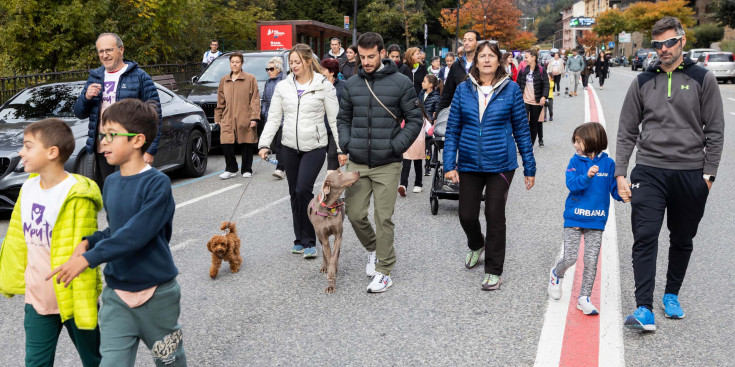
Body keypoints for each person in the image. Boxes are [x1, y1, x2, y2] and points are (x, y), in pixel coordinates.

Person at [49, 99, 187, 366]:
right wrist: (90, 242)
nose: (104, 142)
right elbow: (117, 230)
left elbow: (136, 234)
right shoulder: (111, 182)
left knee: (169, 360)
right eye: (102, 135)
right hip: (116, 297)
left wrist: (89, 259)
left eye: (112, 135)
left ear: (137, 141)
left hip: (157, 295)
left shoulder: (157, 184)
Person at [616, 17, 724, 331]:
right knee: (645, 236)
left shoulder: (703, 78)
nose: (664, 49)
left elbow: (715, 130)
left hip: (690, 174)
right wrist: (620, 172)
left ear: (682, 41)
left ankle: (672, 294)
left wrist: (709, 176)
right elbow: (626, 131)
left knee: (682, 238)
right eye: (658, 44)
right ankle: (644, 308)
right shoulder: (642, 81)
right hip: (649, 170)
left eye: (669, 42)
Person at [0, 119, 103, 367]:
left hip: (74, 297)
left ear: (52, 152)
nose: (20, 152)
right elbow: (16, 239)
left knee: (95, 360)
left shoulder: (77, 194)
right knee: (36, 363)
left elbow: (84, 249)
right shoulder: (27, 189)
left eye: (27, 146)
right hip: (37, 298)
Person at [443, 41, 536, 290]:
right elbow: (452, 130)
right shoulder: (464, 90)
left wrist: (529, 167)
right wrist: (449, 164)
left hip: (501, 164)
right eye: (481, 56)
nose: (486, 60)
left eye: (491, 56)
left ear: (499, 60)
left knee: (495, 214)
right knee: (466, 215)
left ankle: (494, 269)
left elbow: (522, 130)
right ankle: (476, 243)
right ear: (476, 61)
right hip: (470, 163)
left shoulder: (511, 89)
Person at [337, 32, 423, 293]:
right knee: (354, 214)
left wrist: (395, 147)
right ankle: (374, 249)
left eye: (371, 56)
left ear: (382, 53)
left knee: (383, 216)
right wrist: (347, 144)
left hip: (388, 163)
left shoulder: (402, 83)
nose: (366, 61)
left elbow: (415, 120)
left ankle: (385, 270)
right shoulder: (351, 84)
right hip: (358, 161)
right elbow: (343, 119)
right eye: (362, 57)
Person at [258, 44, 340, 259]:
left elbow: (334, 119)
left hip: (315, 146)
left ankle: (311, 240)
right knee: (294, 192)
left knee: (304, 189)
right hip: (288, 146)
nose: (294, 66)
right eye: (291, 62)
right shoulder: (283, 87)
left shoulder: (323, 85)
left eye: (297, 62)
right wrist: (264, 143)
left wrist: (341, 148)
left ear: (307, 61)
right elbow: (274, 117)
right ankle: (299, 240)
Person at [547, 122, 623, 315]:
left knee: (591, 261)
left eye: (578, 141)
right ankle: (557, 274)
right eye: (575, 141)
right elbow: (572, 184)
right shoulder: (575, 162)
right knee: (571, 257)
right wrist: (587, 176)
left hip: (596, 220)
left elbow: (614, 191)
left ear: (592, 141)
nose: (575, 145)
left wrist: (625, 193)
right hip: (574, 218)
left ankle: (584, 298)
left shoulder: (608, 164)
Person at [73, 33, 161, 188]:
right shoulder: (95, 77)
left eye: (109, 50)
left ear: (121, 50)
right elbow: (79, 113)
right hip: (104, 147)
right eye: (101, 51)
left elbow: (155, 115)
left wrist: (150, 150)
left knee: (131, 191)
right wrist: (86, 97)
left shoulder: (140, 76)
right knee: (111, 191)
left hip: (130, 147)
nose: (104, 55)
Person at [215, 52, 261, 179]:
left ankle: (247, 169)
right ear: (230, 63)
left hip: (245, 115)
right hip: (227, 116)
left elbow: (255, 99)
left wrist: (254, 117)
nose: (234, 64)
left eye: (237, 62)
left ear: (241, 63)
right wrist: (218, 117)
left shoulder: (250, 79)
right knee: (225, 142)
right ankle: (231, 168)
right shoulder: (224, 80)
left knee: (246, 142)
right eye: (232, 62)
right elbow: (220, 100)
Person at [516, 48, 549, 147]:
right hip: (524, 101)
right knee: (523, 124)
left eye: (526, 57)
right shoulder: (522, 71)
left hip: (536, 102)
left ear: (533, 58)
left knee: (534, 124)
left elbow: (546, 85)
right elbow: (517, 85)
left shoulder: (541, 70)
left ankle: (530, 145)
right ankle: (522, 144)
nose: (525, 59)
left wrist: (544, 96)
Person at [440, 30, 480, 110]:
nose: (466, 43)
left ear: (477, 42)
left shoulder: (482, 64)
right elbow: (447, 92)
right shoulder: (456, 65)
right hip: (460, 110)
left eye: (470, 40)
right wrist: (438, 113)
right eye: (464, 40)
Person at [320, 58, 346, 174]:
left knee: (331, 156)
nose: (321, 72)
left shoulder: (344, 86)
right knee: (330, 156)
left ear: (331, 72)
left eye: (323, 70)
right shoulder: (318, 85)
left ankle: (329, 189)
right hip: (321, 127)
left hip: (336, 126)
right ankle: (337, 179)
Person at [262, 57, 286, 179]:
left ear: (278, 69)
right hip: (271, 119)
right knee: (276, 145)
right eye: (267, 69)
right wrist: (264, 112)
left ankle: (280, 169)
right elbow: (265, 101)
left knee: (280, 143)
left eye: (271, 69)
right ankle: (283, 165)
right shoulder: (268, 82)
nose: (269, 71)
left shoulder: (284, 82)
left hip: (283, 119)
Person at [419, 74, 441, 176]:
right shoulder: (421, 93)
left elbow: (437, 112)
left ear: (431, 85)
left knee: (428, 147)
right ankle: (418, 163)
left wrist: (433, 120)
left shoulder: (436, 97)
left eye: (424, 81)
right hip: (419, 122)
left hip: (429, 124)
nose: (422, 83)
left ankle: (427, 166)